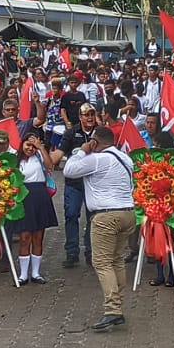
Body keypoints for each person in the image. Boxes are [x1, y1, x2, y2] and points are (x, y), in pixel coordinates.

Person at [63, 126, 135, 331]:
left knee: (102, 262)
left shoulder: (97, 159)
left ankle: (113, 310)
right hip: (127, 213)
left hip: (106, 216)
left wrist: (81, 151)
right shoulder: (124, 158)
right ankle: (118, 305)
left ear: (95, 142)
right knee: (117, 260)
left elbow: (69, 170)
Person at [51, 103, 100, 267]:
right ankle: (71, 252)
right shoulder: (71, 133)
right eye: (86, 115)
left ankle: (91, 252)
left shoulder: (100, 132)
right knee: (71, 215)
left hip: (94, 183)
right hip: (74, 184)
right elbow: (59, 154)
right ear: (80, 117)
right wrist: (46, 157)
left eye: (92, 114)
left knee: (93, 218)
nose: (90, 117)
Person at [12, 133, 59, 285]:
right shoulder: (16, 160)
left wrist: (41, 147)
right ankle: (23, 274)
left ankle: (36, 273)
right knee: (25, 237)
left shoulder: (39, 156)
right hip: (24, 198)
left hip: (40, 197)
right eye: (28, 145)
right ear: (22, 144)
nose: (30, 149)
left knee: (38, 237)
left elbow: (50, 165)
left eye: (33, 146)